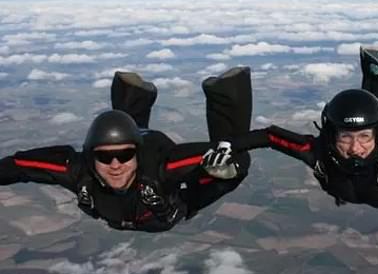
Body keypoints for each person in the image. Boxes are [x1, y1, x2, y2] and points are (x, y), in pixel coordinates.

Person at [205, 45, 378, 221]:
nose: (356, 148)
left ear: (377, 137)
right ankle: (377, 75)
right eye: (346, 138)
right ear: (331, 136)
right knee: (364, 117)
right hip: (374, 186)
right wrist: (231, 144)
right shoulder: (316, 150)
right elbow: (269, 136)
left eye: (364, 138)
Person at [0, 68, 252, 232]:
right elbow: (20, 166)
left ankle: (227, 94)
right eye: (104, 156)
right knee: (126, 134)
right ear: (90, 157)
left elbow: (238, 151)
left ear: (136, 155)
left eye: (124, 155)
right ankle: (133, 98)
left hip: (172, 191)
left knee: (221, 170)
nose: (115, 164)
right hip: (142, 152)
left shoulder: (165, 168)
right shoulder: (78, 170)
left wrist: (234, 167)